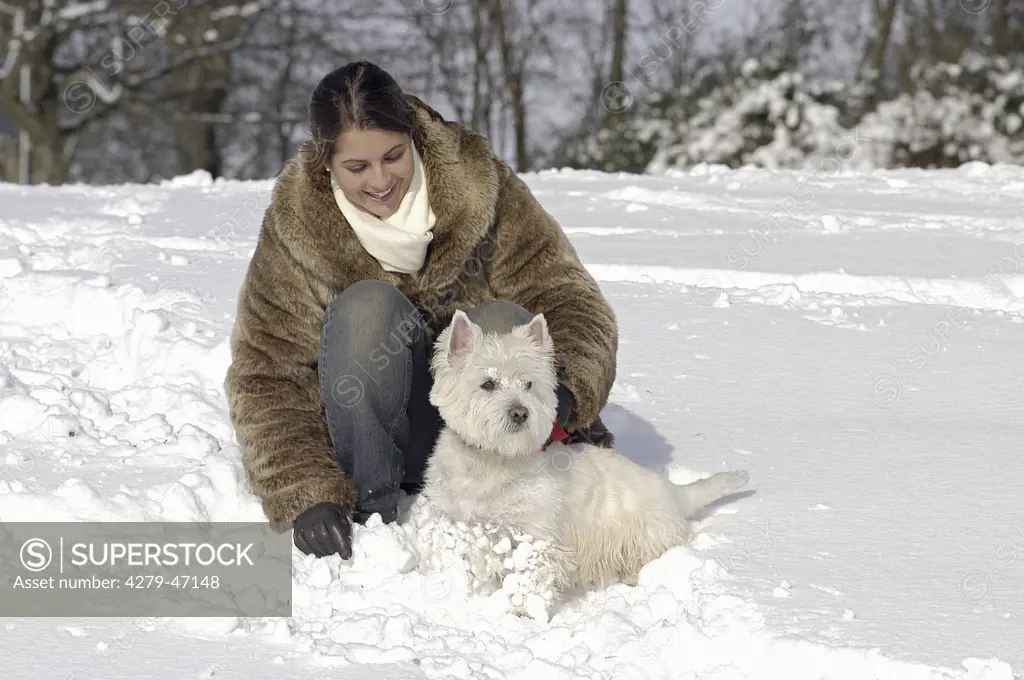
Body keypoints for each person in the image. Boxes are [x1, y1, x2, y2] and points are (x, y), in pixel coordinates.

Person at [223, 60, 619, 560]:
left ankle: (525, 495)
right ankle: (375, 510)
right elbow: (265, 371)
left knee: (501, 322)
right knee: (368, 309)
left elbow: (569, 296)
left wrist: (568, 386)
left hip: (489, 436)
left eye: (393, 156)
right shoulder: (297, 227)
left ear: (412, 135)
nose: (381, 180)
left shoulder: (478, 184)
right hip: (374, 436)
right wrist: (305, 492)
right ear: (326, 162)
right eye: (357, 167)